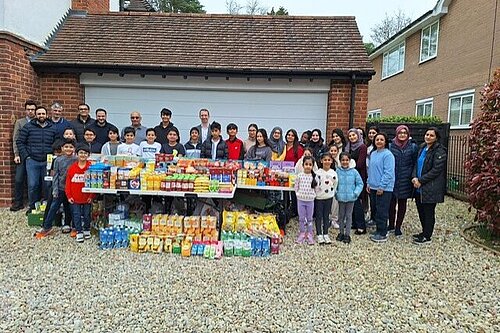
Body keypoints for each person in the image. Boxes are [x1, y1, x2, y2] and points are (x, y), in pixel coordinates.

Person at [17, 106, 57, 214]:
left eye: (43, 114)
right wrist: (26, 156)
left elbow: (57, 142)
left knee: (47, 185)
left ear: (46, 115)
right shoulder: (28, 127)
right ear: (36, 114)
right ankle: (32, 207)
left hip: (47, 161)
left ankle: (47, 207)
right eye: (39, 114)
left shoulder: (52, 127)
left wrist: (53, 155)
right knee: (32, 185)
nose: (41, 116)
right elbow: (20, 142)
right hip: (32, 160)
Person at [411, 127, 447, 245]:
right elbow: (416, 164)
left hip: (430, 186)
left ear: (436, 137)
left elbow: (436, 170)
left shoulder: (440, 151)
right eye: (427, 134)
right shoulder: (422, 148)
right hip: (418, 185)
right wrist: (415, 177)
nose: (428, 137)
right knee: (421, 210)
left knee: (428, 211)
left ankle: (427, 236)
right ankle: (423, 231)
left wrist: (421, 180)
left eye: (431, 135)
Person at [35, 139, 77, 238]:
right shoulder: (58, 160)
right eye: (66, 147)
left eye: (71, 147)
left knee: (73, 208)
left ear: (74, 148)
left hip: (72, 189)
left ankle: (74, 227)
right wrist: (55, 189)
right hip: (61, 188)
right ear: (62, 148)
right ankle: (47, 227)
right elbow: (55, 176)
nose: (68, 149)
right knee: (53, 207)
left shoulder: (76, 160)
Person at [388, 125, 418, 237]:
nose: (402, 135)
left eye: (404, 133)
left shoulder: (413, 147)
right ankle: (390, 224)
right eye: (400, 133)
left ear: (408, 134)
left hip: (406, 178)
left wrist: (413, 176)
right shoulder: (391, 146)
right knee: (391, 203)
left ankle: (398, 227)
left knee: (402, 203)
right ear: (396, 134)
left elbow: (415, 163)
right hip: (393, 177)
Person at [367, 132, 395, 243]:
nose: (379, 141)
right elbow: (371, 170)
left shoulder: (388, 155)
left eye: (381, 140)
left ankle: (383, 233)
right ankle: (378, 229)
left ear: (385, 141)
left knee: (382, 210)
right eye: (377, 139)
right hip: (373, 186)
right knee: (376, 210)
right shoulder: (373, 153)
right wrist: (368, 183)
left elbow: (388, 172)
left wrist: (382, 186)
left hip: (384, 188)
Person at [10, 100, 37, 212]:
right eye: (28, 109)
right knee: (19, 179)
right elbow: (15, 139)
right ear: (25, 110)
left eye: (32, 109)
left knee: (34, 180)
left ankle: (35, 203)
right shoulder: (20, 122)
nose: (30, 111)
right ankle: (18, 202)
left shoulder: (39, 121)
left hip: (35, 154)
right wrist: (16, 154)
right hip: (22, 154)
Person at [66, 144, 94, 243]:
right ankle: (79, 231)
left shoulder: (91, 167)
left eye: (85, 153)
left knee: (87, 214)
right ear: (77, 154)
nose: (83, 155)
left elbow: (94, 184)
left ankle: (86, 229)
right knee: (76, 215)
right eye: (81, 153)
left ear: (88, 155)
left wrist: (91, 196)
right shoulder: (72, 168)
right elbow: (68, 183)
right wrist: (69, 196)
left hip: (87, 197)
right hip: (75, 197)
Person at [335, 152, 364, 244]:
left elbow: (360, 183)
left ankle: (347, 234)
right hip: (340, 197)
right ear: (340, 161)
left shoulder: (354, 172)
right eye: (343, 160)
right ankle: (341, 233)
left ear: (350, 161)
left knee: (348, 216)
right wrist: (336, 193)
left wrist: (355, 193)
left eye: (347, 160)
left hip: (351, 198)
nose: (345, 162)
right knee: (341, 215)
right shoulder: (337, 171)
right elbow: (334, 183)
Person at [346, 128, 368, 235]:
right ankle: (354, 223)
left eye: (354, 135)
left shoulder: (362, 147)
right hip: (350, 176)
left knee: (357, 201)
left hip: (358, 176)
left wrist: (348, 166)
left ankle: (361, 226)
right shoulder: (349, 147)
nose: (352, 137)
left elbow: (359, 164)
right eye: (350, 136)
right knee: (352, 201)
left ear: (358, 136)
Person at [314, 152, 338, 244]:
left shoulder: (333, 173)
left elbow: (335, 184)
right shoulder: (317, 173)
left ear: (331, 161)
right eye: (325, 160)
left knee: (326, 215)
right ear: (321, 161)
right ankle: (319, 234)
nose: (327, 162)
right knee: (319, 216)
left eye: (329, 160)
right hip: (319, 198)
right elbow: (315, 185)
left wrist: (332, 193)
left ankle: (326, 233)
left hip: (329, 197)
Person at [294, 156, 317, 245]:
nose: (308, 166)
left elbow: (317, 188)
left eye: (310, 165)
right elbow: (296, 186)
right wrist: (298, 194)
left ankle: (310, 233)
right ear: (303, 165)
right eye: (306, 164)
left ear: (312, 166)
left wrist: (314, 195)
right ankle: (302, 233)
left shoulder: (314, 177)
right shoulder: (299, 176)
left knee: (310, 218)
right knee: (302, 218)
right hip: (301, 200)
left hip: (310, 200)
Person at [365, 125, 380, 226]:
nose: (371, 135)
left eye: (373, 133)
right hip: (368, 175)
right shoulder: (367, 146)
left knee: (377, 201)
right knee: (372, 200)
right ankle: (372, 217)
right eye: (370, 133)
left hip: (376, 177)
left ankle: (377, 220)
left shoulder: (378, 149)